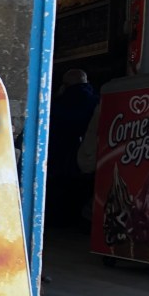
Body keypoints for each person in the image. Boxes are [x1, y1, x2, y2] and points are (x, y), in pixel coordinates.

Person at [46, 68, 99, 229]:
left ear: (65, 85)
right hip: (85, 156)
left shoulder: (59, 103)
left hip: (60, 157)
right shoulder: (96, 101)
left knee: (58, 194)